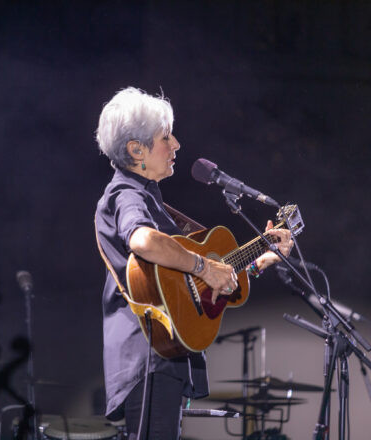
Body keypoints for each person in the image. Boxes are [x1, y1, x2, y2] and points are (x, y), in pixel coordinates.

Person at [95, 87, 293, 439]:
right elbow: (142, 240)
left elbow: (192, 284)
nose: (177, 145)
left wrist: (259, 260)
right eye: (165, 137)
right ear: (136, 150)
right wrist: (204, 267)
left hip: (163, 354)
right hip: (148, 355)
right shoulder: (126, 194)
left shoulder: (150, 199)